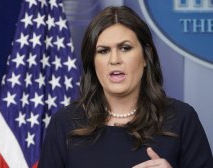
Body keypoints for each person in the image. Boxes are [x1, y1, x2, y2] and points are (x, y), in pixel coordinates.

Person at [38, 6, 213, 168]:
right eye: (103, 51)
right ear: (92, 62)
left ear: (146, 56)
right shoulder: (64, 123)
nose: (114, 60)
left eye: (125, 48)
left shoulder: (182, 119)